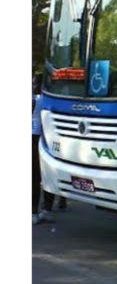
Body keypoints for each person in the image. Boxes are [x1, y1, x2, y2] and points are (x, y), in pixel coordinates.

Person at [32, 75, 66, 225]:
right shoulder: (47, 99)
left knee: (37, 177)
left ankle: (35, 211)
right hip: (46, 138)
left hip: (37, 137)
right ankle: (46, 208)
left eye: (34, 82)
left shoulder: (39, 99)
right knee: (47, 174)